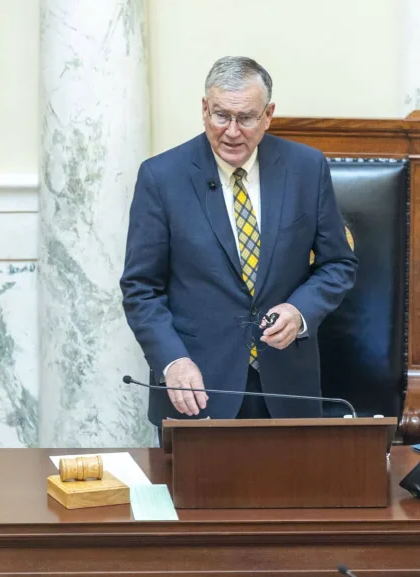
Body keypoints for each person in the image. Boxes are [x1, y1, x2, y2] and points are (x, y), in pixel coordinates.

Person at [119, 56, 358, 429]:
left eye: (245, 118)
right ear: (204, 109)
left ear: (268, 115)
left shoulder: (307, 169)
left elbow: (338, 264)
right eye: (220, 116)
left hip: (287, 388)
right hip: (197, 391)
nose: (232, 131)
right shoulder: (161, 177)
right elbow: (140, 289)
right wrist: (172, 361)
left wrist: (300, 311)